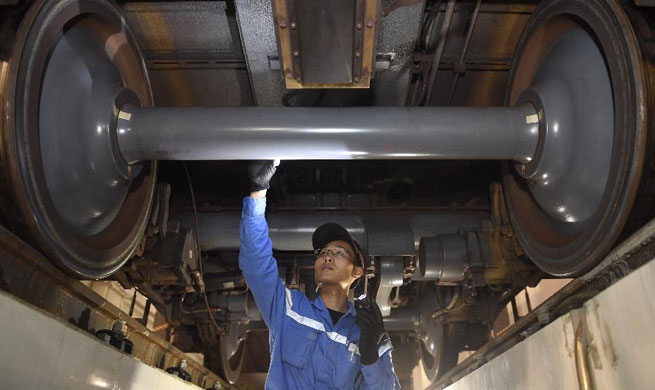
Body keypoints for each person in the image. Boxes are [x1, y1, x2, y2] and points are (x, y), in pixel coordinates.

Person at [239, 161, 401, 389]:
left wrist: (371, 355)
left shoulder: (368, 333)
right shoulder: (288, 308)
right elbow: (256, 263)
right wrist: (258, 190)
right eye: (323, 252)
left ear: (357, 271)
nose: (327, 257)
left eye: (339, 253)